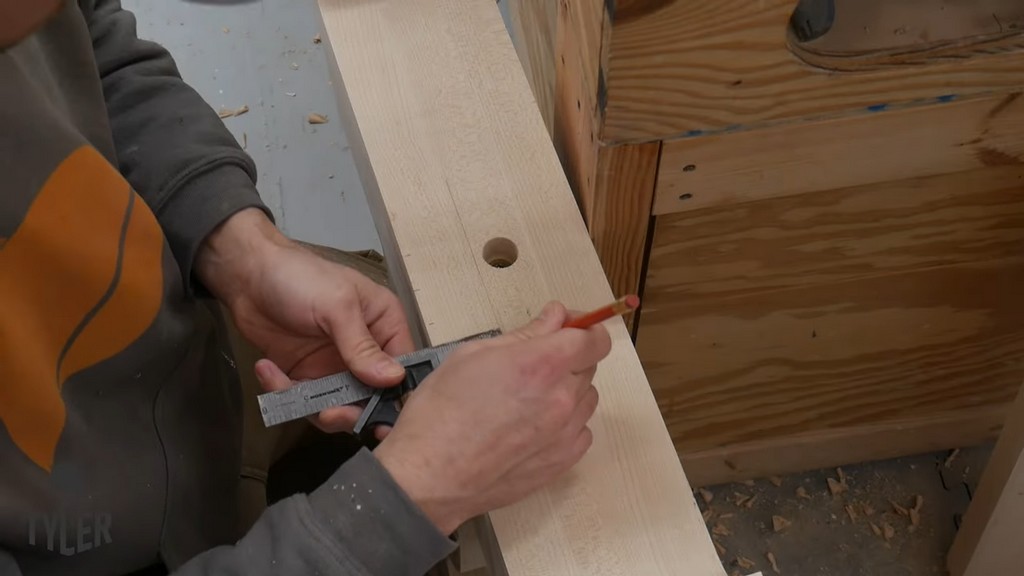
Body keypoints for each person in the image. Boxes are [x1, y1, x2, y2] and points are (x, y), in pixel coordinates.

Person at [0, 1, 612, 575]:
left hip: (188, 373)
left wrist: (237, 249)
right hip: (100, 549)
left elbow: (93, 53)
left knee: (400, 314)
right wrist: (408, 501)